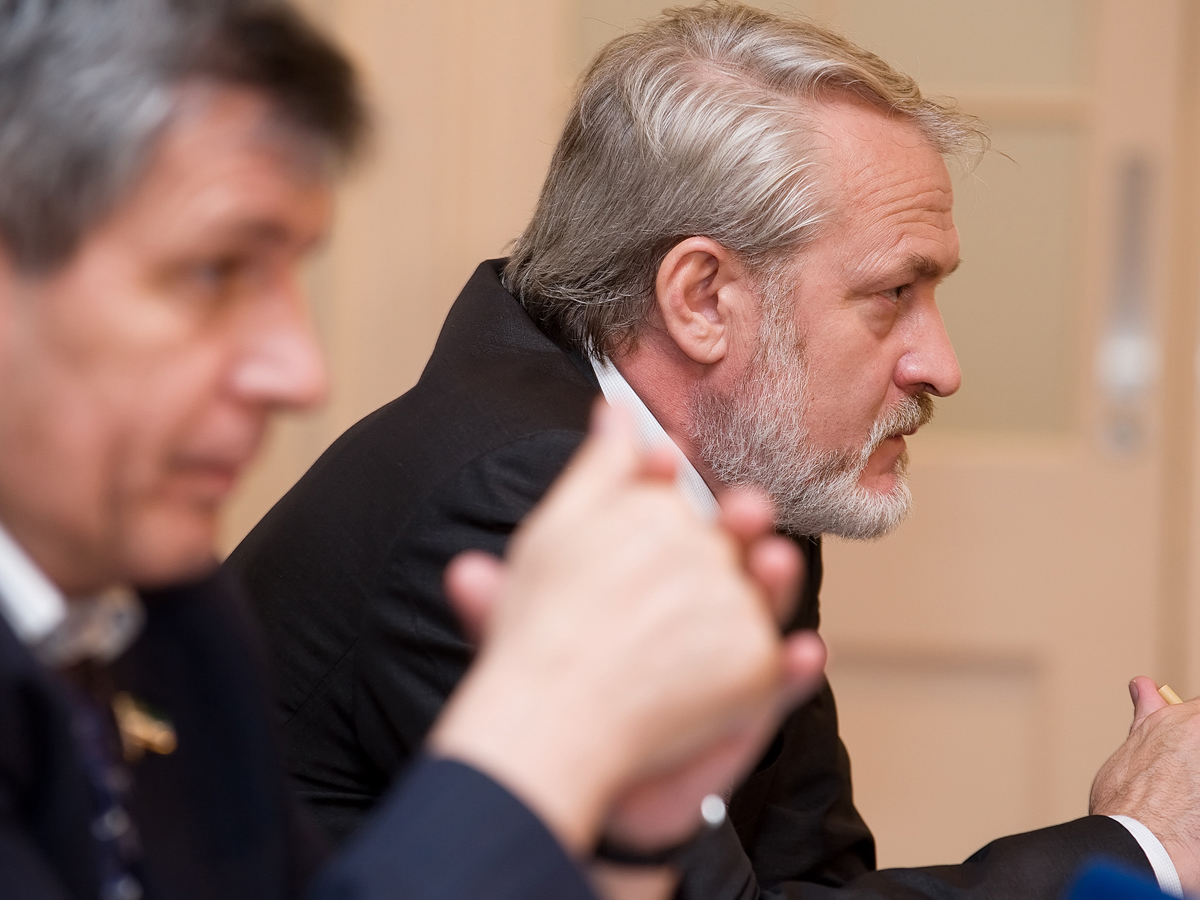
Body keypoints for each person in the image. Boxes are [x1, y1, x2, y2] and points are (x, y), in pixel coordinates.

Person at [229, 2, 1200, 898]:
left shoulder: (738, 464)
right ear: (701, 300)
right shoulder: (515, 501)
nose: (940, 367)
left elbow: (812, 879)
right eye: (893, 295)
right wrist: (1137, 848)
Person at [0, 1, 831, 898]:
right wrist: (539, 744)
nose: (300, 370)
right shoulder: (500, 483)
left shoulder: (177, 618)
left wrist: (623, 847)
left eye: (290, 274)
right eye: (216, 271)